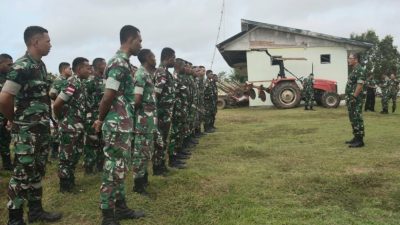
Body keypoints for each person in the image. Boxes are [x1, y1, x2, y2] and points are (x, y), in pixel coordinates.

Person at [0, 26, 62, 225]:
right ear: (36, 42)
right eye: (48, 41)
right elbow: (4, 98)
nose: (50, 44)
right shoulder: (21, 67)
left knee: (37, 171)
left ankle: (36, 211)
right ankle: (15, 218)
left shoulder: (40, 66)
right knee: (21, 174)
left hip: (41, 129)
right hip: (26, 132)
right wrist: (14, 120)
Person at [92, 25, 145, 225]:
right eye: (139, 40)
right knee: (112, 168)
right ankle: (107, 214)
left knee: (121, 167)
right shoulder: (117, 63)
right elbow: (108, 96)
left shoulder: (124, 63)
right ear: (130, 40)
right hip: (115, 124)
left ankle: (120, 207)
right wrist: (100, 118)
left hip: (123, 123)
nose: (141, 44)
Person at [53, 57, 92, 192]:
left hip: (78, 126)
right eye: (88, 68)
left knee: (74, 155)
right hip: (69, 127)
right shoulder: (72, 83)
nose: (90, 70)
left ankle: (70, 183)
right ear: (79, 69)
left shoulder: (80, 83)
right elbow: (57, 104)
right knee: (66, 156)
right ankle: (65, 186)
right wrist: (62, 120)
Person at [132, 49, 157, 195]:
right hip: (142, 121)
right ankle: (138, 184)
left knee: (146, 150)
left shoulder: (147, 74)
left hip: (149, 120)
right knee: (140, 152)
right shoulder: (140, 74)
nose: (155, 59)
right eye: (153, 56)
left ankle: (144, 178)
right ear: (148, 58)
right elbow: (136, 99)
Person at [153, 47, 176, 174]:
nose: (175, 61)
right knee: (160, 141)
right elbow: (156, 94)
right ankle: (158, 167)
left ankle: (161, 164)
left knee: (163, 140)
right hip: (162, 113)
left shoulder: (166, 72)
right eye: (174, 58)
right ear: (167, 58)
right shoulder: (161, 72)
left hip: (166, 113)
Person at [84, 58, 107, 173]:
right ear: (99, 66)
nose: (106, 66)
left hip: (103, 116)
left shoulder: (105, 80)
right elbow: (84, 98)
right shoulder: (90, 81)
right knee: (92, 141)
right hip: (92, 116)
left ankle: (100, 166)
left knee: (103, 141)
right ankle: (89, 167)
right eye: (104, 64)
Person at [344, 53, 366, 148]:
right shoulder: (354, 70)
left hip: (355, 99)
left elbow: (360, 85)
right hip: (351, 99)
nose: (348, 60)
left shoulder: (360, 70)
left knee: (357, 117)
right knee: (353, 118)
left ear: (356, 59)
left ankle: (360, 140)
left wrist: (354, 97)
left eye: (350, 58)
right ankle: (356, 137)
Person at [0, 53, 14, 171]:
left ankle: (7, 164)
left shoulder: (9, 79)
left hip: (4, 117)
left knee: (5, 140)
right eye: (9, 64)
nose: (11, 67)